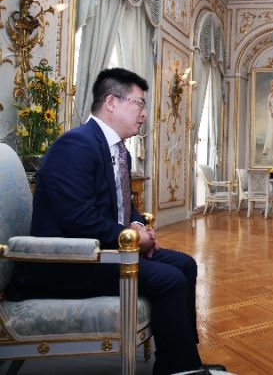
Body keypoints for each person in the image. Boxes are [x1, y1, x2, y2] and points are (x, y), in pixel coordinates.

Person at [7, 68, 225, 375]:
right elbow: (79, 220)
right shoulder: (75, 146)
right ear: (111, 102)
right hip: (69, 263)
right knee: (170, 279)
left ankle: (182, 360)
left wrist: (139, 227)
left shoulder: (119, 150)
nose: (144, 114)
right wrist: (133, 237)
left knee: (185, 265)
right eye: (139, 104)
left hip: (106, 251)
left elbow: (125, 208)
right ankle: (180, 369)